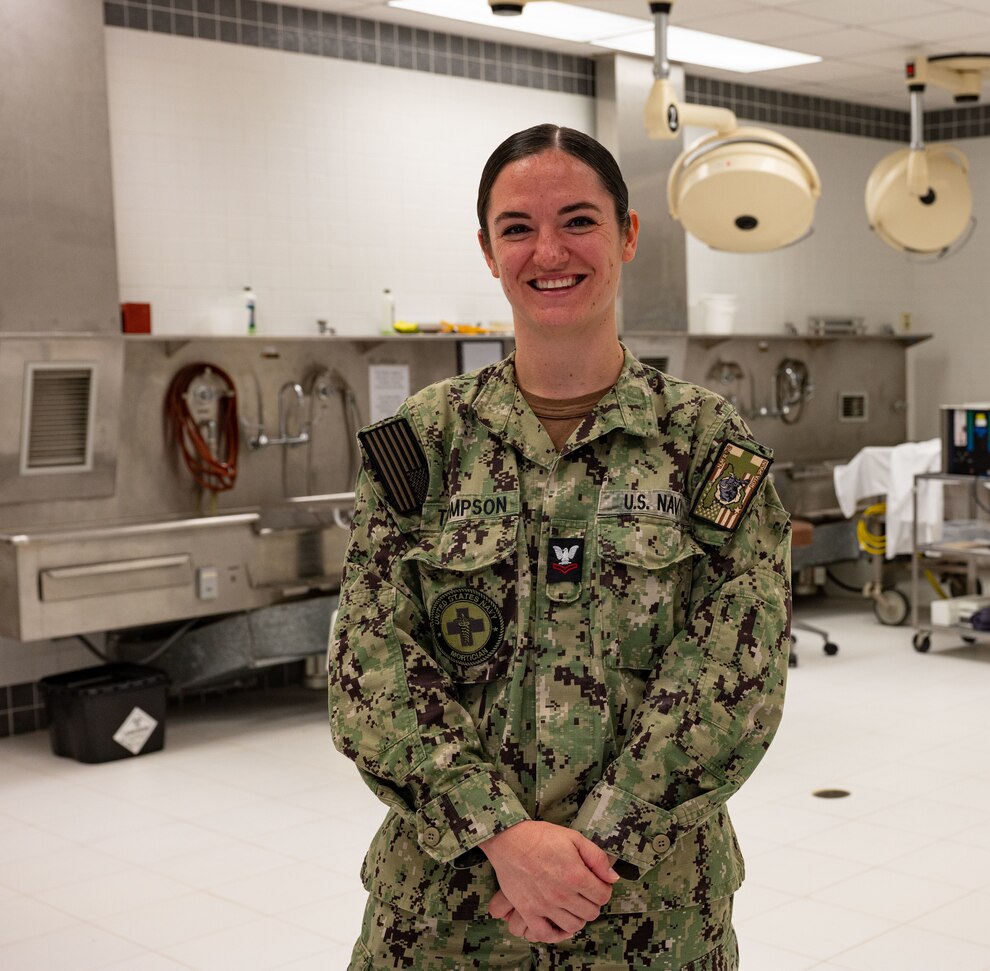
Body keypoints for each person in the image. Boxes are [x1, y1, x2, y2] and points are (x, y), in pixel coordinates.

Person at [329, 123, 791, 970]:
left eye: (579, 220)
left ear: (627, 233)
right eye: (517, 228)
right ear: (487, 249)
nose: (549, 251)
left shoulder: (703, 444)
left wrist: (589, 854)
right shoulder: (423, 445)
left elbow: (738, 670)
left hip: (650, 918)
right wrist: (503, 835)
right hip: (446, 917)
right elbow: (370, 666)